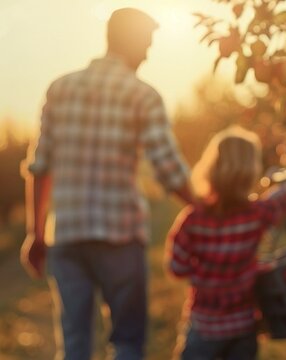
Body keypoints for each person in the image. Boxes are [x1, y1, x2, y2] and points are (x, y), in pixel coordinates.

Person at [20, 7, 194, 360]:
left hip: (67, 235)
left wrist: (36, 233)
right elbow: (168, 169)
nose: (147, 52)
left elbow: (41, 168)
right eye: (145, 43)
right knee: (128, 340)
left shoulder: (60, 88)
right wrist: (206, 205)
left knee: (75, 343)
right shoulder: (143, 95)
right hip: (121, 234)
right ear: (130, 42)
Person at [166, 127, 286, 360]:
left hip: (205, 326)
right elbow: (282, 198)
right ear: (251, 171)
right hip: (244, 325)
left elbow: (176, 267)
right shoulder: (257, 214)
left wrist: (203, 274)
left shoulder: (193, 220)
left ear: (211, 168)